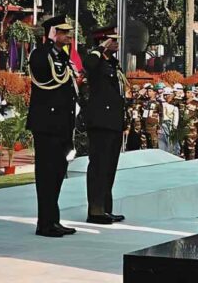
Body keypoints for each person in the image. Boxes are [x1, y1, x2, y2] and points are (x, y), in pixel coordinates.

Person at [27, 15, 78, 238]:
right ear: (52, 33)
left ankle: (53, 219)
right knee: (46, 174)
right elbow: (44, 75)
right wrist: (48, 44)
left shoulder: (62, 57)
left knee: (58, 173)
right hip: (47, 125)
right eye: (64, 32)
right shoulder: (41, 54)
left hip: (61, 125)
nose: (69, 35)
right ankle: (44, 223)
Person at [83, 27, 126, 225]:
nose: (117, 43)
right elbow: (88, 64)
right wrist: (100, 48)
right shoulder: (97, 60)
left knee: (109, 167)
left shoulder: (113, 63)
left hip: (114, 121)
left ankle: (105, 208)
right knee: (99, 166)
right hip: (100, 121)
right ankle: (95, 209)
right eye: (113, 40)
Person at [179, 86, 198, 160]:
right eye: (186, 92)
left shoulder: (197, 103)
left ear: (193, 93)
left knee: (191, 150)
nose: (187, 94)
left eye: (188, 92)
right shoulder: (182, 103)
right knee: (182, 149)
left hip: (192, 131)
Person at [160, 87, 180, 153]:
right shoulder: (162, 103)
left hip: (170, 124)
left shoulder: (175, 105)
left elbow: (176, 116)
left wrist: (174, 125)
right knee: (163, 140)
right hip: (163, 124)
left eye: (167, 95)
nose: (165, 97)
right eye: (164, 95)